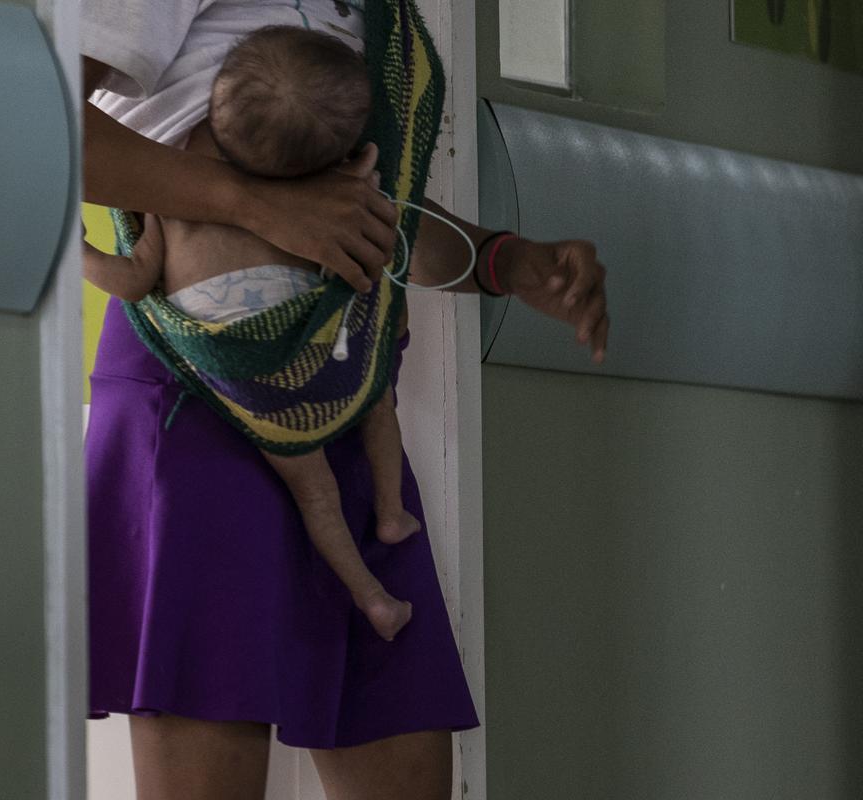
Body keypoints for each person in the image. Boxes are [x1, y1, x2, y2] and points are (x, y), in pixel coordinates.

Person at [81, 2, 609, 798]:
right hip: (196, 395)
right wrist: (249, 201)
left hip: (344, 397)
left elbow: (350, 210)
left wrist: (504, 262)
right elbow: (35, 115)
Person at [85, 25, 421, 643]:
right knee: (375, 394)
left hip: (243, 364)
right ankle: (392, 511)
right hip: (319, 327)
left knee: (313, 491)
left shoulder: (174, 184)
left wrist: (73, 248)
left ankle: (374, 601)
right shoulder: (326, 187)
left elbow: (133, 282)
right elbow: (376, 193)